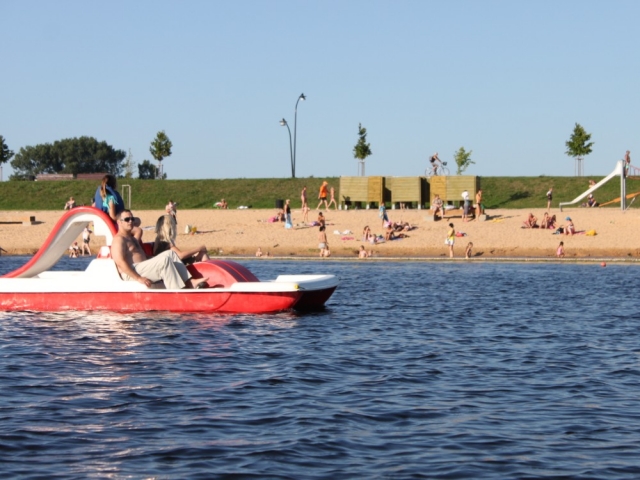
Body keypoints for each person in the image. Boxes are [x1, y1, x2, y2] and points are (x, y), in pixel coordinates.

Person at [111, 209, 206, 289]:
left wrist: (155, 259)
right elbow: (120, 262)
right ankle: (177, 291)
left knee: (170, 254)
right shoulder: (119, 240)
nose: (131, 221)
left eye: (132, 219)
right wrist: (139, 278)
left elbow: (142, 252)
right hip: (131, 273)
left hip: (142, 268)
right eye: (127, 219)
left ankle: (189, 282)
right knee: (164, 260)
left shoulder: (132, 238)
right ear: (119, 222)